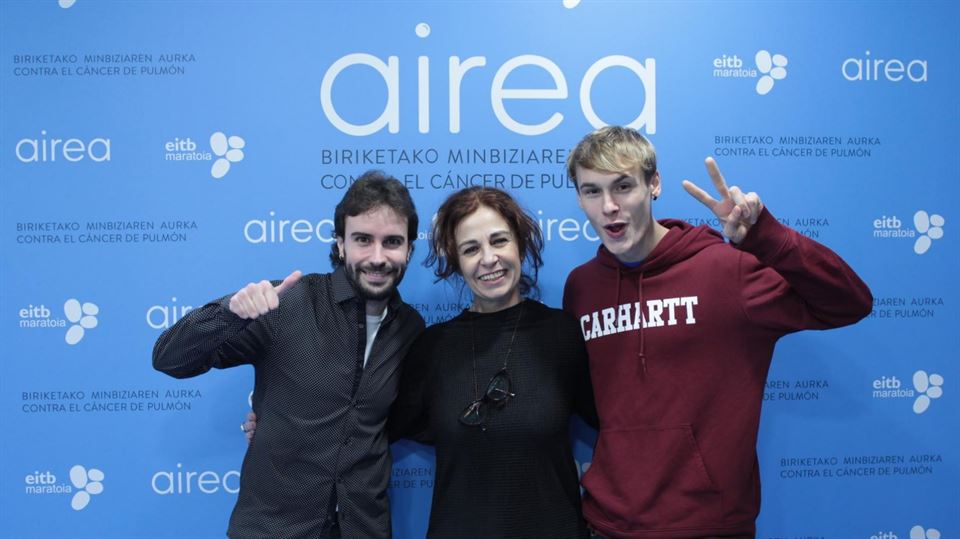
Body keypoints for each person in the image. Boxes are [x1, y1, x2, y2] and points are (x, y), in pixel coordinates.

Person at [562, 126, 872, 539]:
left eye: (623, 186)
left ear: (654, 185)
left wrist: (768, 239)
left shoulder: (726, 271)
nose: (609, 207)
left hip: (708, 526)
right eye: (592, 191)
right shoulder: (582, 287)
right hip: (606, 524)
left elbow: (850, 302)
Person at [153, 171, 425, 539]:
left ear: (408, 249)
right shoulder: (289, 303)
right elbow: (169, 359)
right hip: (273, 530)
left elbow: (392, 421)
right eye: (363, 240)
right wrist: (229, 313)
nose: (378, 257)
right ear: (341, 244)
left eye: (392, 242)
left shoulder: (410, 329)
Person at [388, 187, 597, 538]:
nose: (489, 258)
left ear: (520, 243)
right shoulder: (432, 347)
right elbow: (369, 425)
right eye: (471, 249)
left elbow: (623, 420)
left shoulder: (563, 334)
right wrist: (280, 416)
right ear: (456, 261)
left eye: (499, 241)